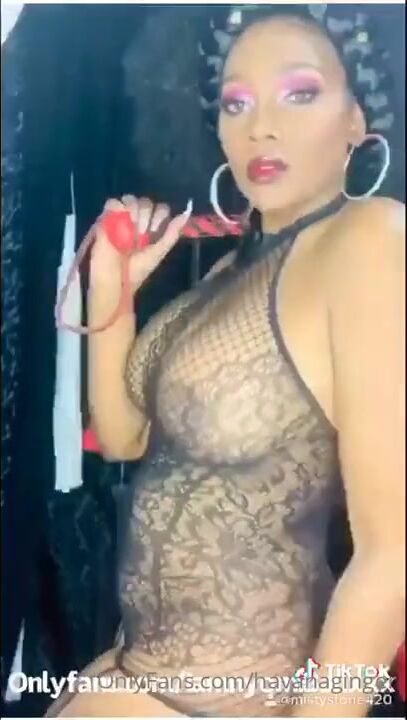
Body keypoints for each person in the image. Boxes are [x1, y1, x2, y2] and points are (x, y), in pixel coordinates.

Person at [46, 4, 405, 717]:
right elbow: (122, 438)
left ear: (355, 121)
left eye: (299, 93)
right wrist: (112, 284)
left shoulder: (369, 240)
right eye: (236, 102)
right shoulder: (221, 276)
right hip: (122, 672)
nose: (259, 126)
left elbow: (394, 551)